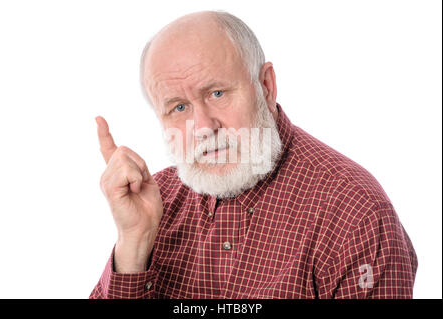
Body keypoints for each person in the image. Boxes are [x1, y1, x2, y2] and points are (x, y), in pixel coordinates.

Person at [90, 10, 417, 299]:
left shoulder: (354, 210)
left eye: (216, 93)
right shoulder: (156, 201)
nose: (203, 127)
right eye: (179, 107)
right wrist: (134, 243)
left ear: (266, 86)